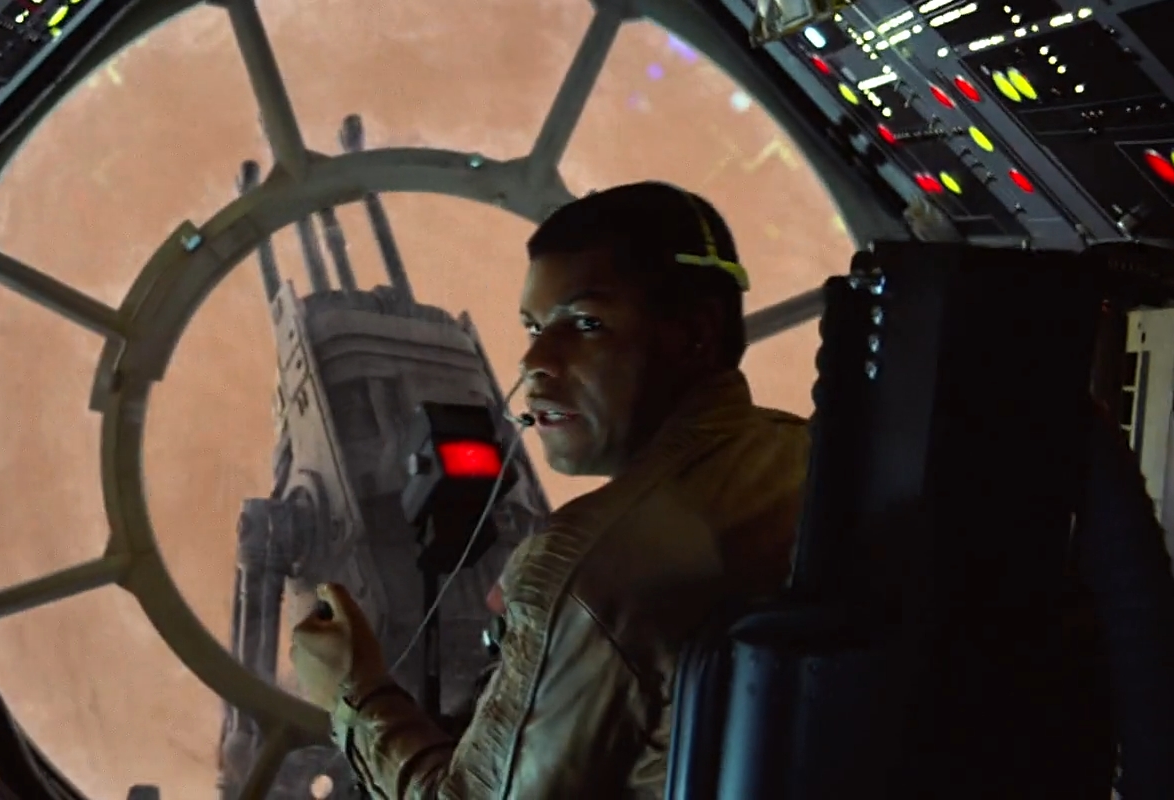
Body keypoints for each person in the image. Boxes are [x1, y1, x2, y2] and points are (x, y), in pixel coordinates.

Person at [290, 181, 812, 797]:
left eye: (586, 323)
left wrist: (354, 692)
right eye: (534, 327)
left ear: (695, 334)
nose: (534, 361)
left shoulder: (591, 570)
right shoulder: (802, 454)